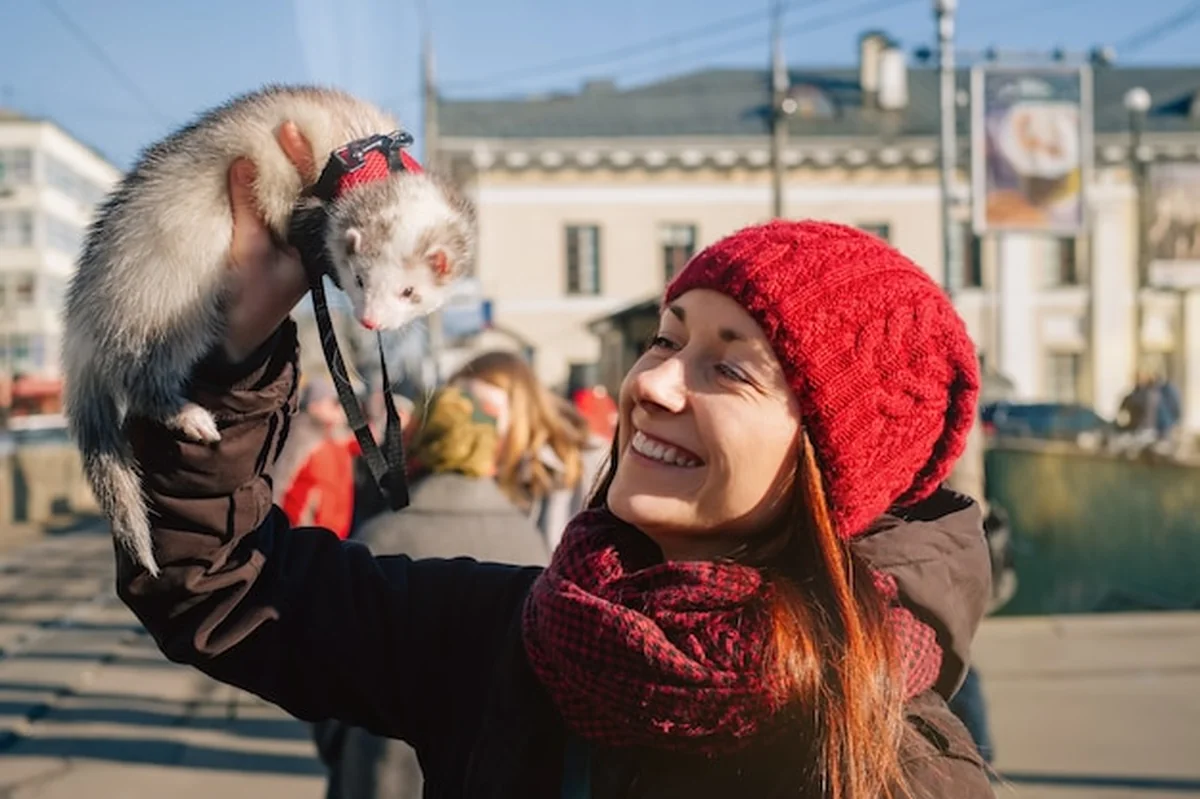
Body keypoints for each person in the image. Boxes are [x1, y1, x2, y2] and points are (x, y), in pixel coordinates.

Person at [116, 124, 995, 797]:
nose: (652, 384)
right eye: (664, 337)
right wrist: (231, 350)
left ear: (833, 461)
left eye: (726, 365)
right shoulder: (508, 637)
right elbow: (210, 580)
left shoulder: (898, 755)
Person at [314, 381, 550, 798]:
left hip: (377, 771)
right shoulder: (532, 547)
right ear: (490, 448)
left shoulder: (379, 538)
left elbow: (327, 674)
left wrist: (339, 746)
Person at [448, 350, 607, 552]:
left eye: (485, 410)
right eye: (459, 410)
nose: (472, 424)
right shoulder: (459, 470)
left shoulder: (584, 461)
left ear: (519, 409)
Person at [272, 376, 357, 539]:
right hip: (301, 536)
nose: (340, 408)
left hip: (335, 536)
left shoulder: (337, 438)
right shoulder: (301, 435)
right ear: (315, 405)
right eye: (334, 403)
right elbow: (279, 480)